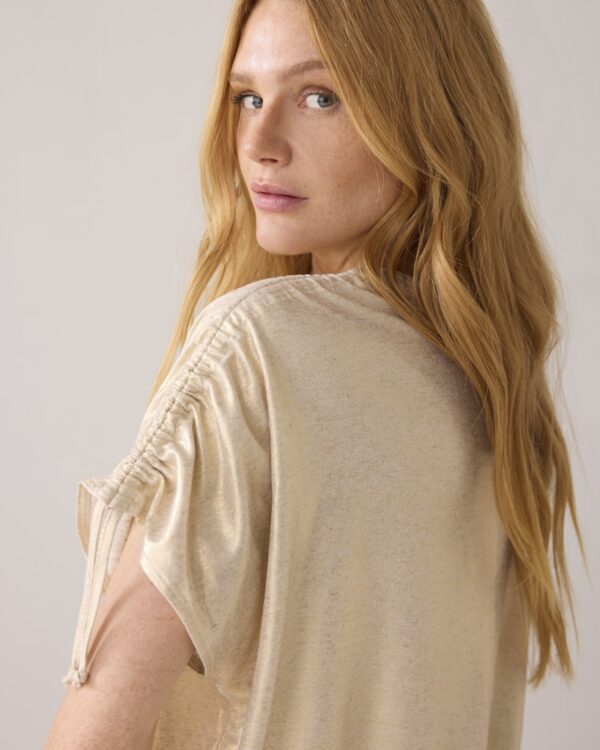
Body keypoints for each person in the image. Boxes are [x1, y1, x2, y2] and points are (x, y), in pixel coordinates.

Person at [44, 0, 588, 748]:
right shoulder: (495, 386)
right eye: (248, 97)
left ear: (428, 114)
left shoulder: (255, 351)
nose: (259, 143)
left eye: (320, 97)